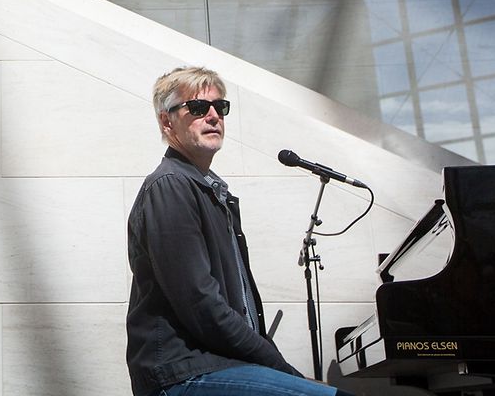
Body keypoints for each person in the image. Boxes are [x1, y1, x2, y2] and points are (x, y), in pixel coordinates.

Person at [126, 65, 346, 396]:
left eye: (220, 107)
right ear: (166, 121)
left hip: (218, 366)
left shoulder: (209, 191)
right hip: (183, 374)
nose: (213, 115)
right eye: (199, 107)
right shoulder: (170, 186)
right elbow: (200, 304)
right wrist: (282, 368)